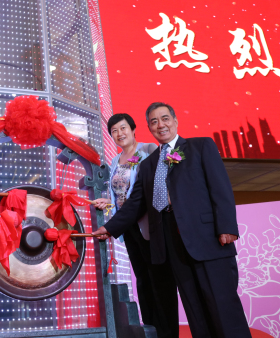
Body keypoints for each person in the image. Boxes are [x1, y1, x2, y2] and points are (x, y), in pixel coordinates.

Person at [93, 102, 251, 338]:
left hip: (208, 241)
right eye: (154, 122)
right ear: (149, 127)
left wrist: (226, 227)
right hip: (171, 246)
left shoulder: (200, 146)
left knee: (223, 307)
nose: (160, 125)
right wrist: (108, 228)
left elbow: (220, 188)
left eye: (165, 119)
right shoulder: (148, 164)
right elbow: (135, 203)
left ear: (175, 121)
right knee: (195, 311)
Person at [92, 113, 178, 337]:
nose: (119, 134)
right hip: (128, 227)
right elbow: (120, 194)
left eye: (123, 128)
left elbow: (161, 180)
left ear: (132, 129)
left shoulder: (149, 150)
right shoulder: (115, 161)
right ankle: (150, 329)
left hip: (151, 224)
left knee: (160, 278)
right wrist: (108, 202)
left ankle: (167, 332)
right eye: (114, 131)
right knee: (142, 278)